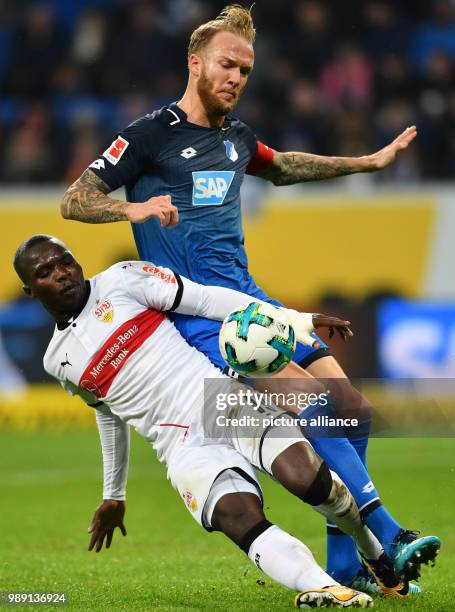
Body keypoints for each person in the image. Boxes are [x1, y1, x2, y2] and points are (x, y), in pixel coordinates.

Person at [59, 4, 439, 590]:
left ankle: (343, 562)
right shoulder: (148, 135)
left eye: (245, 70)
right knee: (314, 407)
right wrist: (132, 208)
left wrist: (369, 161)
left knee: (353, 410)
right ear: (195, 63)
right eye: (226, 64)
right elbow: (75, 199)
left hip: (252, 302)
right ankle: (389, 534)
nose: (236, 77)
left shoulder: (236, 139)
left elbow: (283, 165)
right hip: (198, 315)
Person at [14, 234, 416, 608]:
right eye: (46, 273)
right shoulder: (58, 359)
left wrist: (295, 320)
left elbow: (208, 301)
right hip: (178, 445)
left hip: (217, 400)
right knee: (237, 516)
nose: (62, 274)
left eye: (65, 262)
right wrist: (113, 494)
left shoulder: (123, 280)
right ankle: (324, 587)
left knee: (309, 481)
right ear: (30, 290)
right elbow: (106, 414)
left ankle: (371, 550)